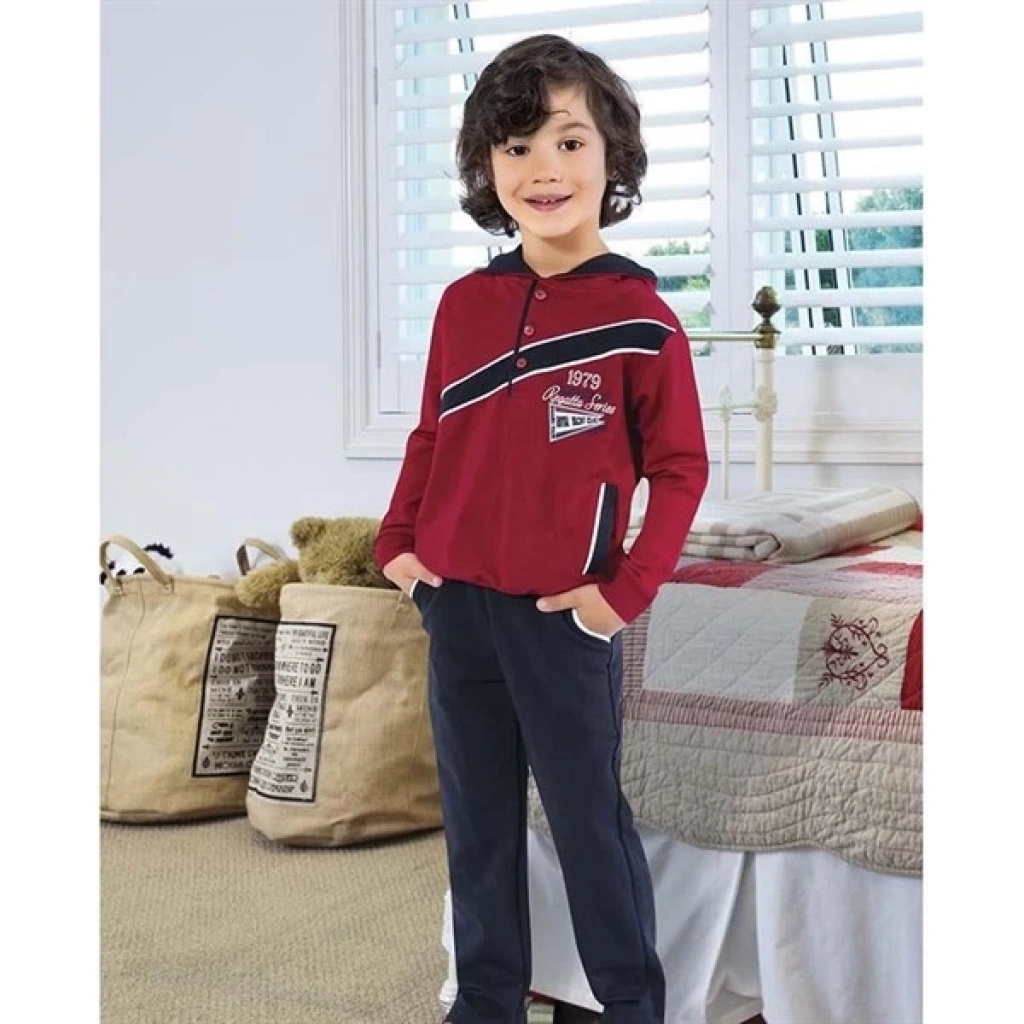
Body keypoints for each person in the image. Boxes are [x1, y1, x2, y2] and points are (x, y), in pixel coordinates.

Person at [374, 33, 709, 1024]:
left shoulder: (641, 319)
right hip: (456, 606)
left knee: (586, 823)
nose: (543, 170)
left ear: (612, 156)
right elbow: (432, 434)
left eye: (568, 142)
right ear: (487, 166)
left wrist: (622, 595)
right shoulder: (463, 306)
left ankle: (629, 1005)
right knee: (477, 821)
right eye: (516, 147)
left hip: (564, 618)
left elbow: (681, 470)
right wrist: (398, 545)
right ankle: (484, 1000)